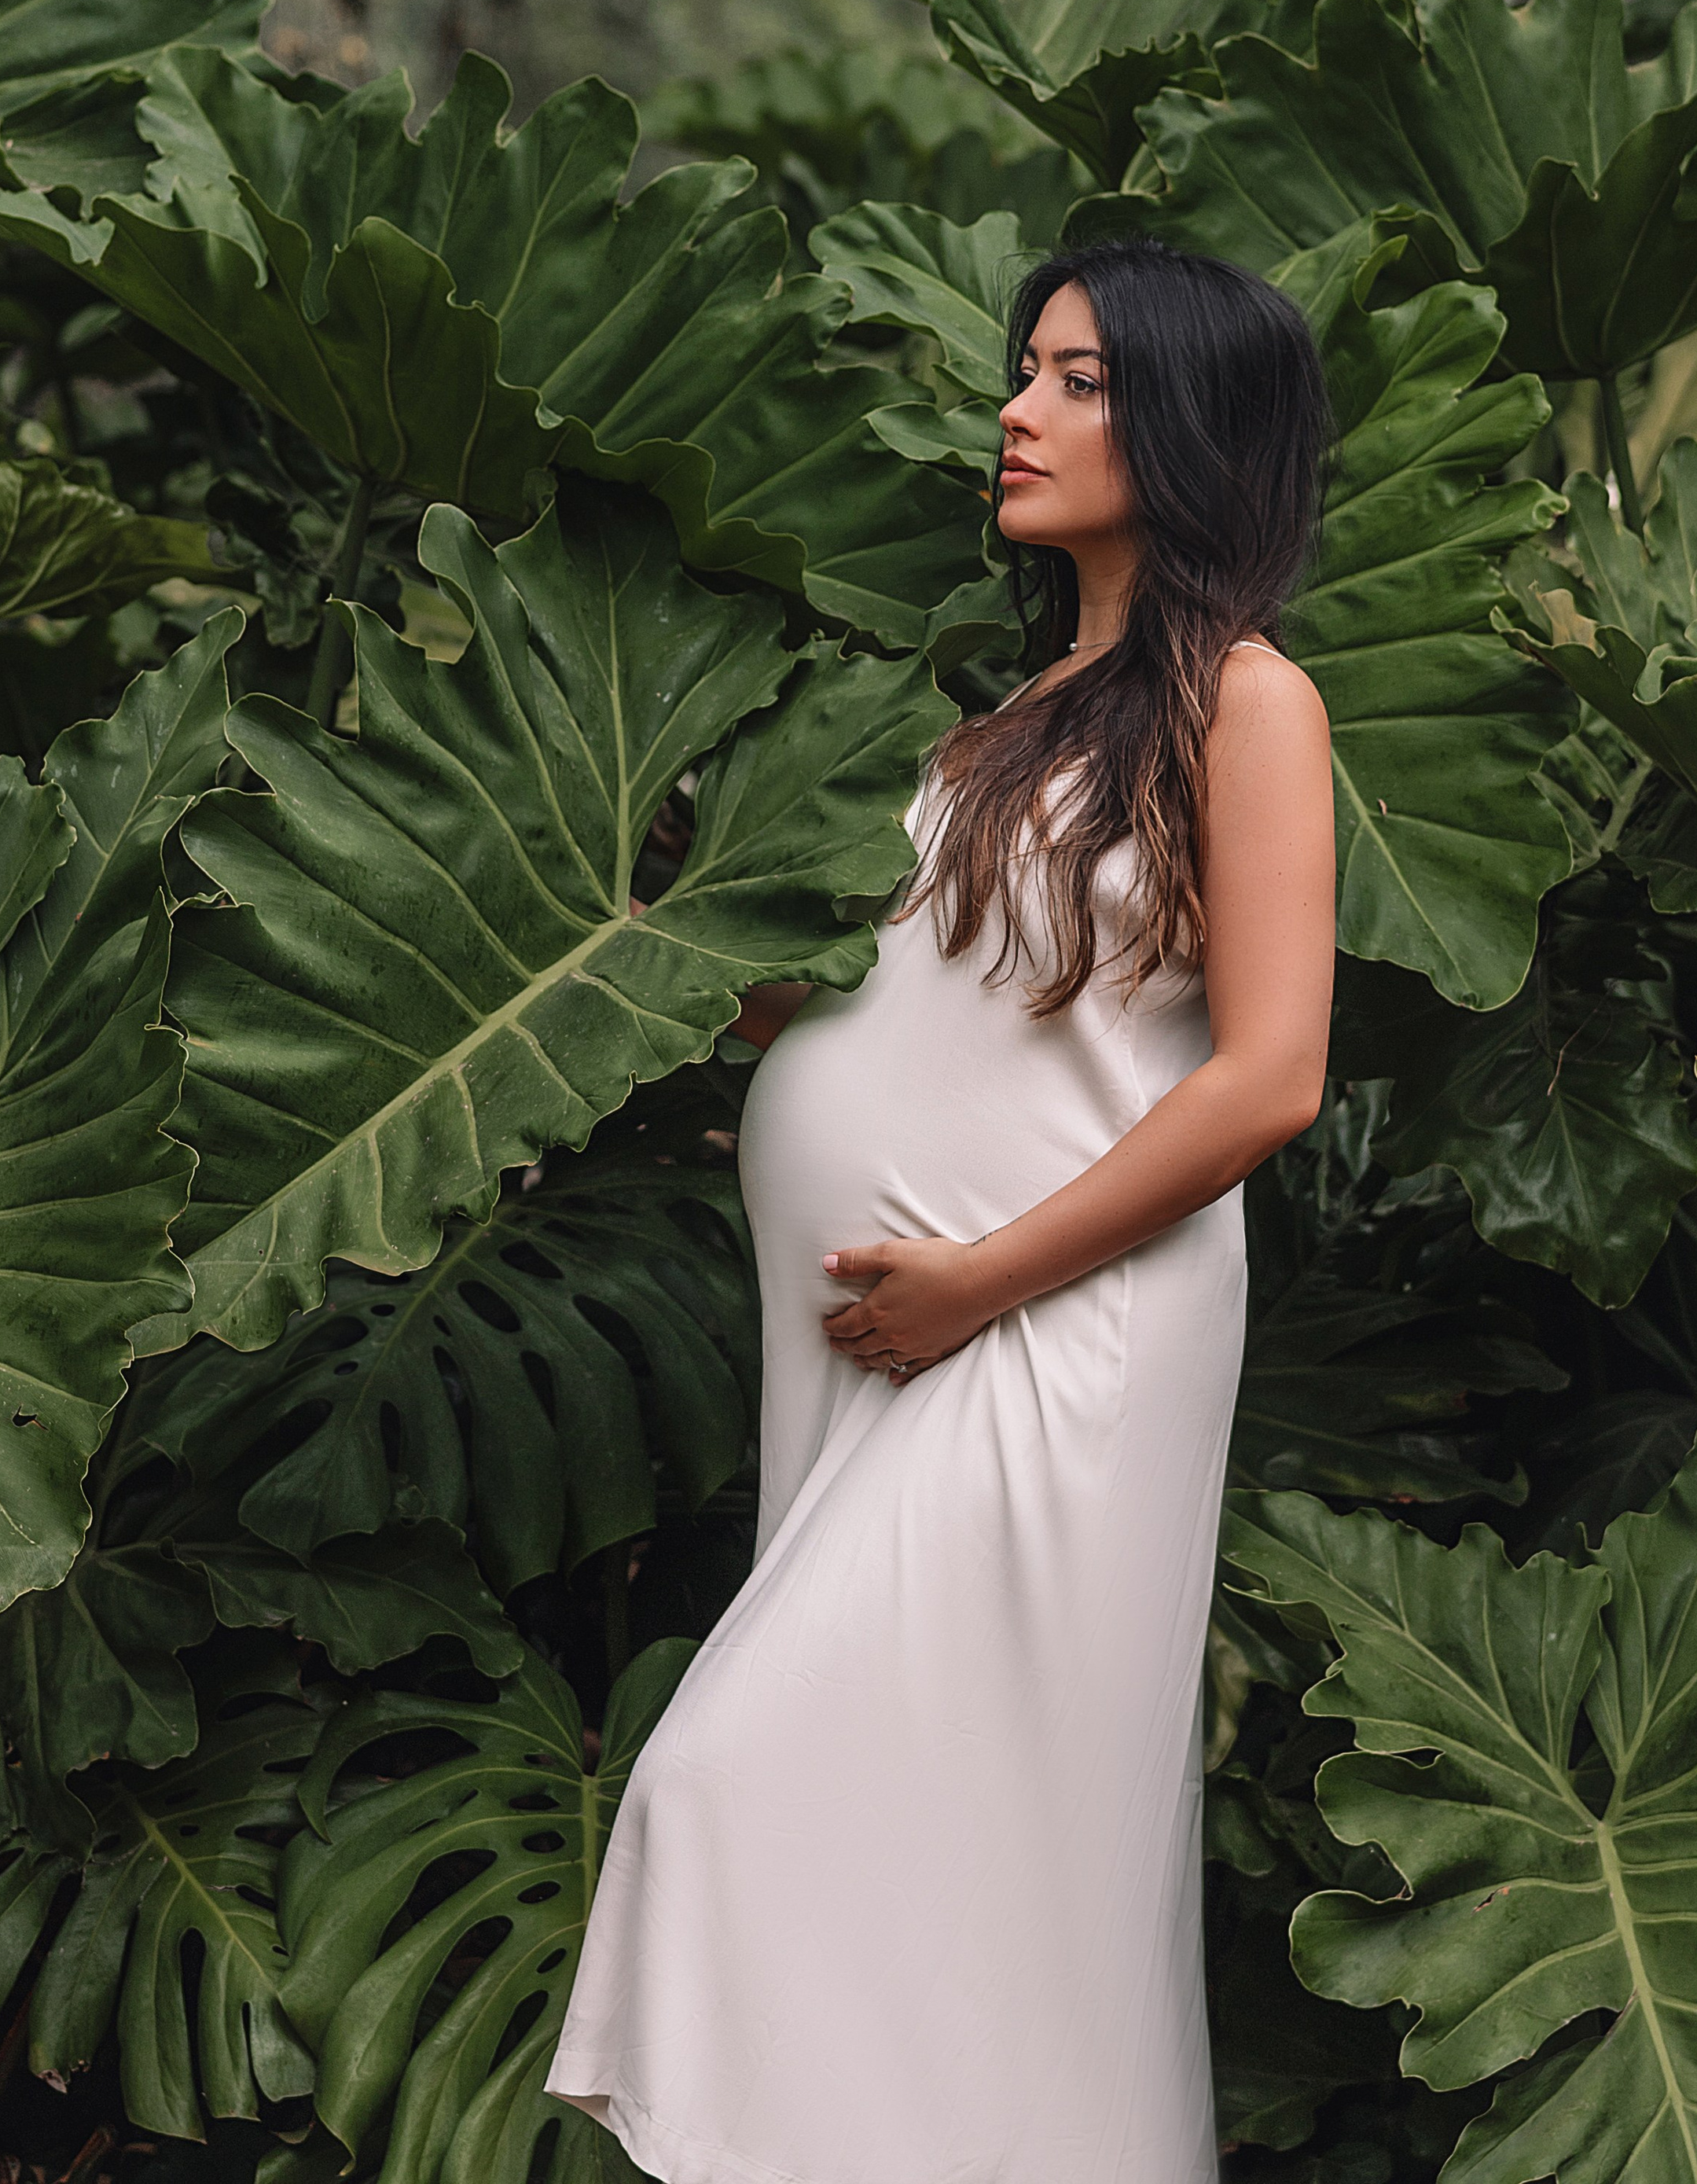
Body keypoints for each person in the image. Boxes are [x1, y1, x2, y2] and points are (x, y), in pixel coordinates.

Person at [546, 237, 1339, 2184]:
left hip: (1053, 1338)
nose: (1017, 408)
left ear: (1182, 421)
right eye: (1026, 371)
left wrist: (978, 1280)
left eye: (1076, 380)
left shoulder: (1248, 701)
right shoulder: (1016, 712)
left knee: (735, 1788)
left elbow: (1268, 1074)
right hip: (899, 1350)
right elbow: (919, 1004)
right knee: (950, 1867)